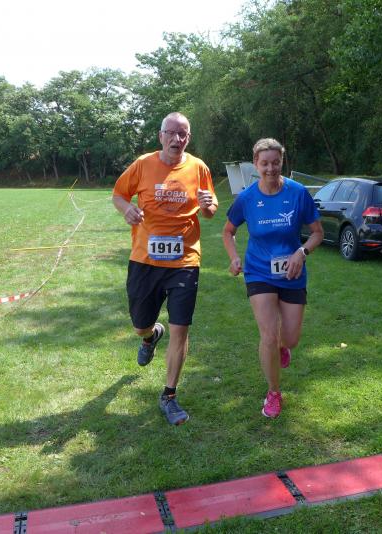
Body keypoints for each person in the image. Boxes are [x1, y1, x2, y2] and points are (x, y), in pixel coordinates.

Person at [112, 112, 218, 425]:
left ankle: (169, 395)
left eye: (182, 134)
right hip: (145, 260)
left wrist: (209, 205)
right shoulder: (143, 164)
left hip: (184, 261)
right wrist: (127, 209)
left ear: (189, 137)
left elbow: (210, 210)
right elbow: (118, 195)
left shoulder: (198, 168)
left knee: (180, 327)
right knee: (140, 324)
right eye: (171, 133)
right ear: (161, 136)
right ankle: (150, 336)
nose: (176, 139)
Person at [222, 138, 323, 418]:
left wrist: (301, 252)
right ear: (255, 164)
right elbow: (228, 231)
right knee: (267, 335)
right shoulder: (247, 198)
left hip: (292, 273)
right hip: (259, 272)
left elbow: (317, 233)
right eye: (264, 163)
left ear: (282, 162)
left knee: (290, 339)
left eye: (275, 162)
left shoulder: (298, 193)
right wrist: (234, 258)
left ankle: (282, 347)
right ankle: (274, 392)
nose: (270, 168)